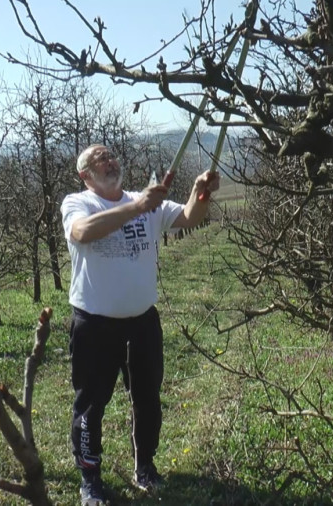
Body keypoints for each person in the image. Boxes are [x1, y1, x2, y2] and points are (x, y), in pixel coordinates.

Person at [61, 144, 219, 506]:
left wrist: (201, 193)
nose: (109, 161)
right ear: (85, 175)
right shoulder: (78, 203)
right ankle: (90, 478)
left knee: (148, 399)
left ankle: (145, 466)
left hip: (143, 323)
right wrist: (136, 208)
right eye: (99, 159)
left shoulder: (144, 200)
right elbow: (81, 232)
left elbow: (189, 218)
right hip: (94, 324)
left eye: (111, 155)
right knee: (90, 405)